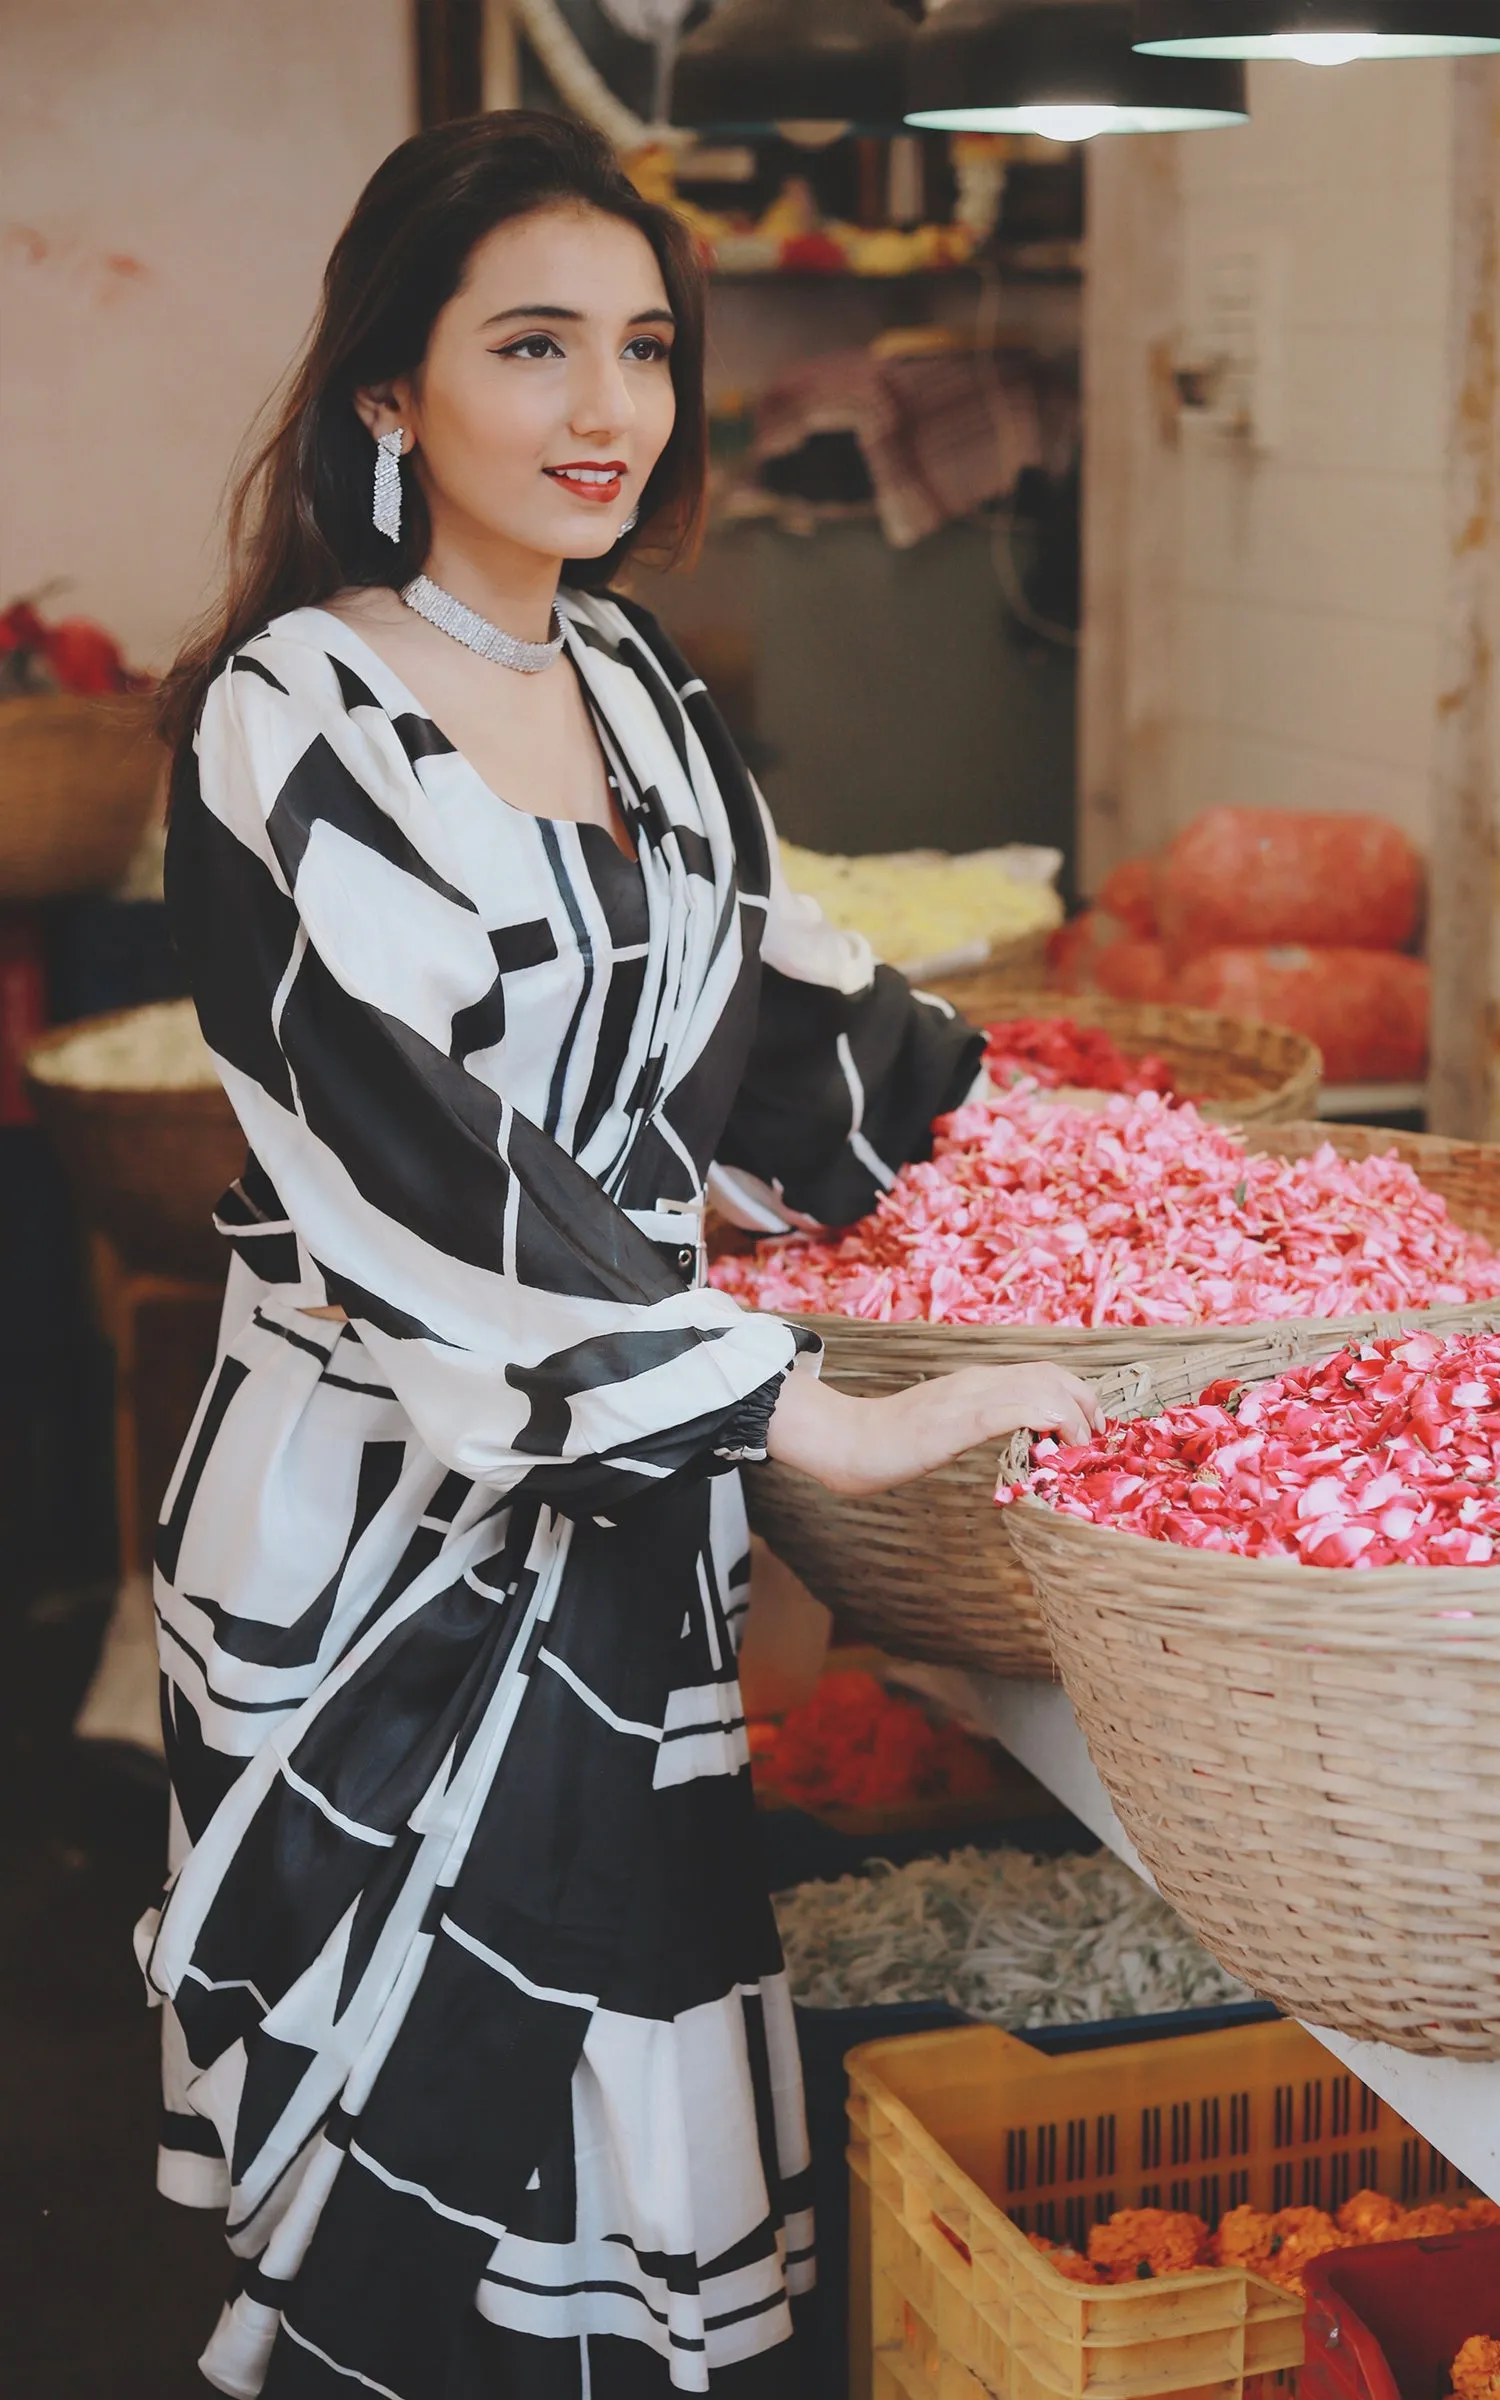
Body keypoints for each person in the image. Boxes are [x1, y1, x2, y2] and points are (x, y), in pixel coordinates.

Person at [140, 109, 1099, 2399]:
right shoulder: (297, 715)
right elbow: (423, 1150)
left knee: (621, 2103)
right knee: (426, 2137)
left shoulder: (645, 694)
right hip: (382, 1518)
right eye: (535, 346)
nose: (609, 413)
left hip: (620, 1499)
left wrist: (1052, 1152)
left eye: (646, 349)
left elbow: (780, 1025)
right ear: (394, 389)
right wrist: (805, 1414)